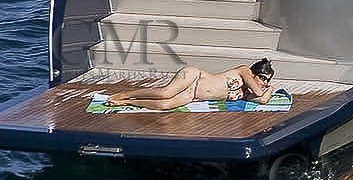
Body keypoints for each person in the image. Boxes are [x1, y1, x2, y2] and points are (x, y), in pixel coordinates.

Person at [107, 58, 275, 111]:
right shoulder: (244, 71)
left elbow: (262, 100)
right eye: (262, 77)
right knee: (165, 93)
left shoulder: (245, 92)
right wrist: (265, 89)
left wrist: (271, 89)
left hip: (192, 95)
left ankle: (128, 102)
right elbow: (260, 94)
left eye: (267, 80)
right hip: (194, 77)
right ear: (254, 73)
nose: (264, 82)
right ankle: (126, 94)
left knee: (164, 105)